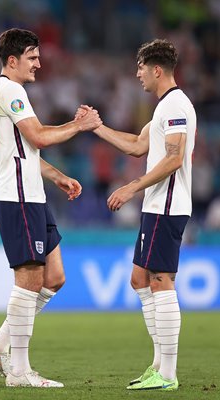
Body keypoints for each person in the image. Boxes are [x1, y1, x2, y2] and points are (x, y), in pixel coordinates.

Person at [0, 28, 102, 388]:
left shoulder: (8, 92)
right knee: (29, 279)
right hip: (17, 196)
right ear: (12, 61)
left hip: (33, 194)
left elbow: (27, 150)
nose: (38, 63)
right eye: (32, 56)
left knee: (54, 277)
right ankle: (18, 371)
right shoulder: (9, 90)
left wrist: (58, 176)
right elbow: (40, 137)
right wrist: (80, 125)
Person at [76, 39, 196, 391]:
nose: (137, 74)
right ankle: (158, 364)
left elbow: (175, 158)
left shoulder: (176, 104)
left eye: (141, 68)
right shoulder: (163, 107)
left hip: (166, 206)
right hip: (155, 207)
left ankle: (168, 374)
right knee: (139, 280)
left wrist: (132, 187)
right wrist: (95, 126)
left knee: (161, 280)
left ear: (157, 69)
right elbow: (136, 145)